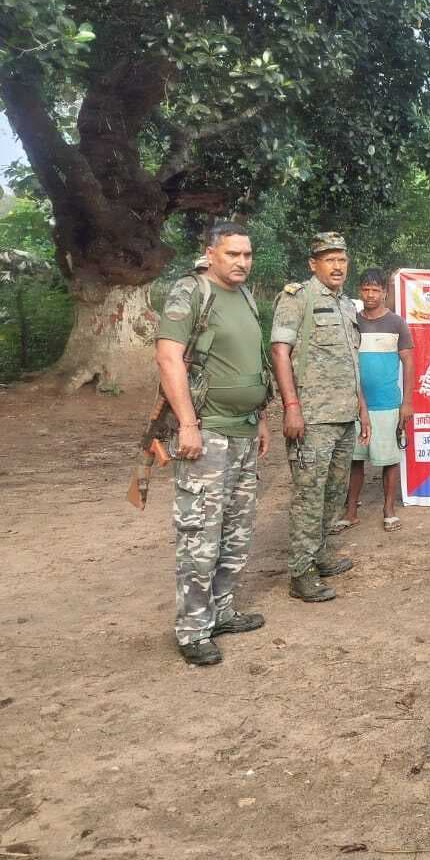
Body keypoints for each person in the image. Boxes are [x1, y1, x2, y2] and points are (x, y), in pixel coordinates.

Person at [155, 222, 271, 666]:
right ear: (211, 253)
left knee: (236, 532)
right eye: (232, 254)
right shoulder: (191, 291)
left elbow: (248, 360)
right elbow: (168, 357)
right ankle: (192, 629)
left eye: (247, 254)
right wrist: (187, 423)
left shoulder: (243, 295)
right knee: (200, 533)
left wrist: (258, 417)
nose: (241, 262)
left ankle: (221, 611)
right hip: (208, 432)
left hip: (242, 430)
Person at [270, 232, 371, 604]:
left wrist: (360, 404)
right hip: (311, 417)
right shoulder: (297, 299)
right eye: (329, 259)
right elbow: (281, 352)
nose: (338, 266)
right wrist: (291, 406)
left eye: (342, 259)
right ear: (313, 264)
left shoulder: (346, 306)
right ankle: (301, 572)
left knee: (334, 492)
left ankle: (322, 553)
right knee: (309, 495)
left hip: (343, 415)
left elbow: (351, 361)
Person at [342, 268, 414, 532]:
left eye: (375, 290)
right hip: (353, 404)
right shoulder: (351, 321)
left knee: (389, 459)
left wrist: (407, 402)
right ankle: (351, 510)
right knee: (354, 459)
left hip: (387, 403)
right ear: (360, 291)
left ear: (385, 292)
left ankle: (388, 508)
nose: (370, 294)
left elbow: (409, 363)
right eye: (365, 289)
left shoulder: (397, 323)